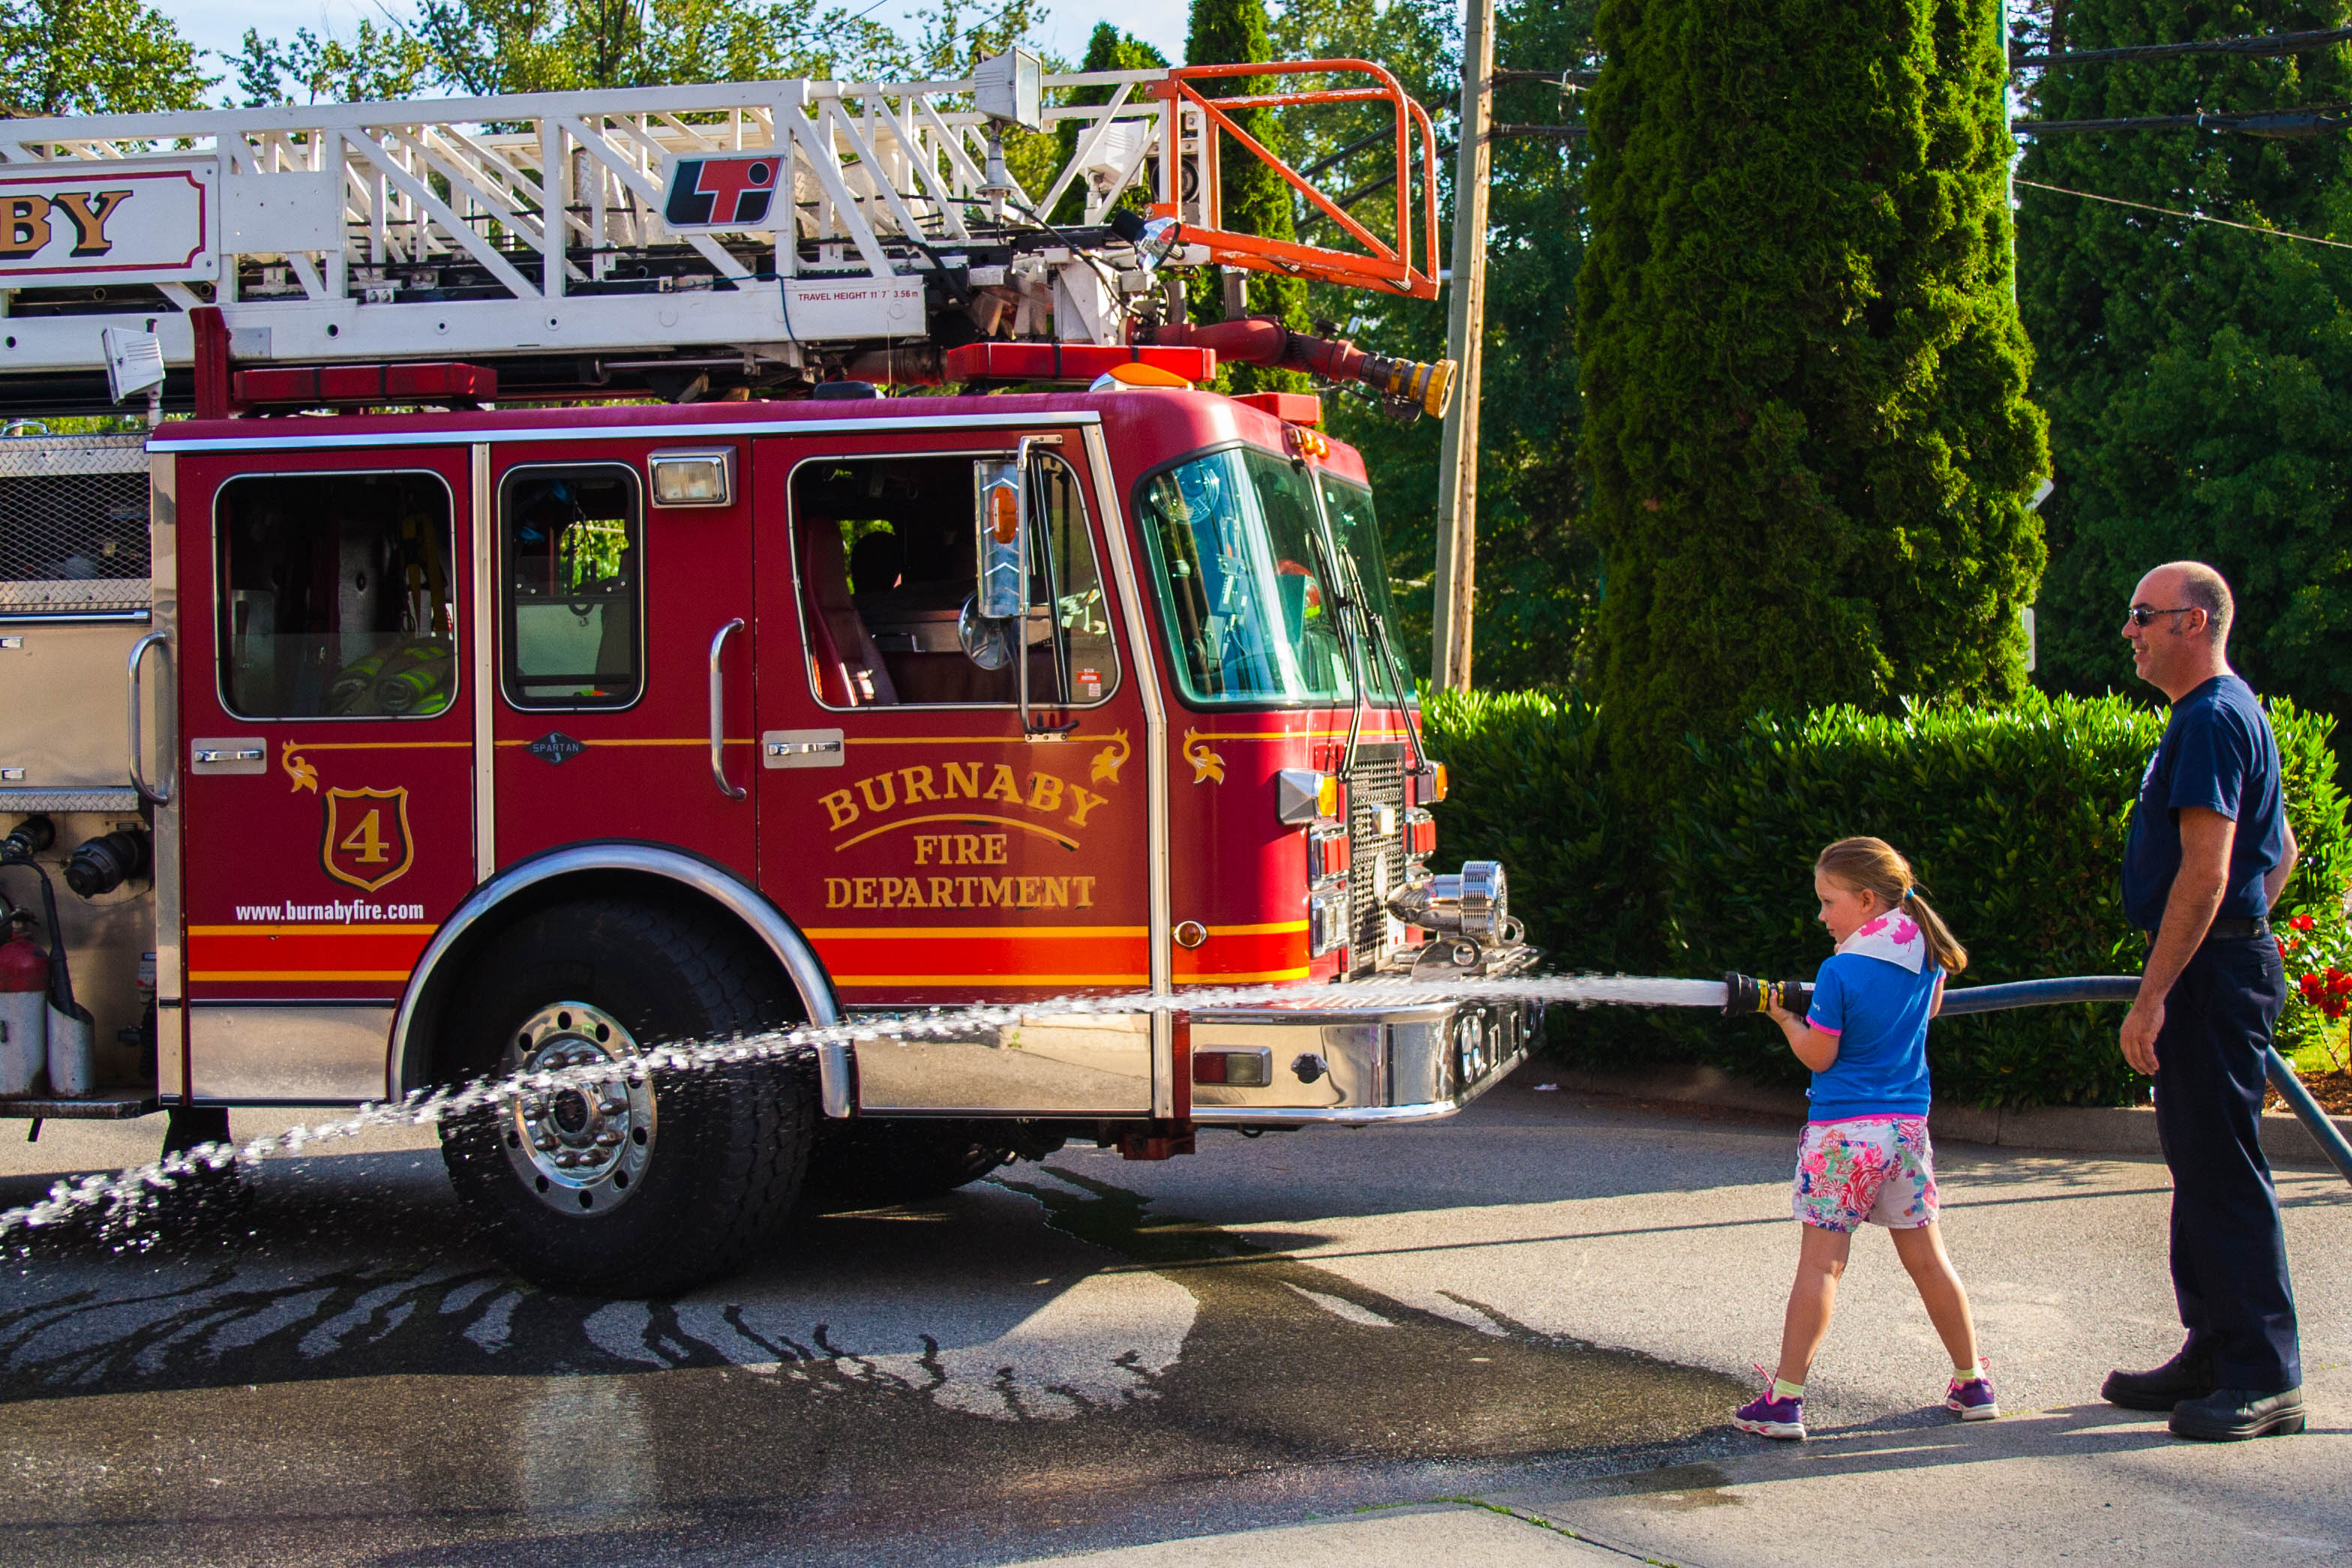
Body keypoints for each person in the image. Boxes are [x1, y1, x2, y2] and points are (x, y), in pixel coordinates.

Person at [2102, 561, 2304, 1441]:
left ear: (2193, 622)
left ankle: (2264, 1374)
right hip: (2220, 962)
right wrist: (2239, 933)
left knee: (2221, 1172)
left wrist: (2157, 993)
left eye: (2142, 614)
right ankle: (2214, 1349)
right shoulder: (2217, 712)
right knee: (2200, 1165)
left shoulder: (2214, 717)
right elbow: (2280, 849)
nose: (2129, 631)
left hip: (2210, 975)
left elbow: (2208, 870)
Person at [1733, 837, 1995, 1441]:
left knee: (1822, 1265)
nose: (1822, 915)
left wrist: (1784, 1016)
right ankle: (1973, 1381)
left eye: (1829, 901)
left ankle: (1785, 1400)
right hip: (1906, 1132)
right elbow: (1928, 1012)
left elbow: (1820, 1055)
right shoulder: (1926, 952)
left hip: (1844, 1137)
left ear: (1868, 900)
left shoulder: (1840, 970)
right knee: (1929, 1260)